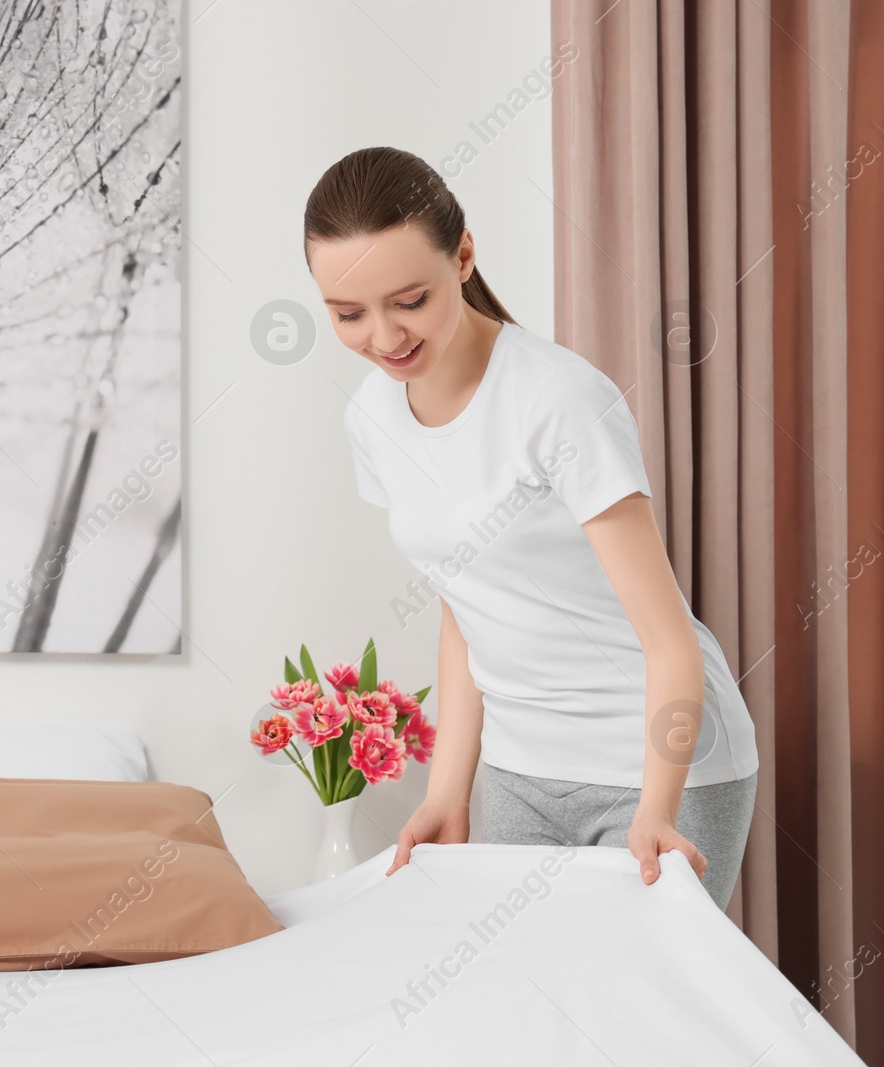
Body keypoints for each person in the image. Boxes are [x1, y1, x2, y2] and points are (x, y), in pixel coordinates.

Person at [303, 146, 759, 910]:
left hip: (656, 764)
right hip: (518, 775)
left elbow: (669, 639)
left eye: (409, 299)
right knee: (527, 1010)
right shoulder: (372, 419)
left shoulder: (558, 399)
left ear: (465, 256)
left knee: (631, 1018)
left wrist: (657, 809)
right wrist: (448, 789)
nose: (383, 337)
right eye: (348, 314)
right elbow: (466, 604)